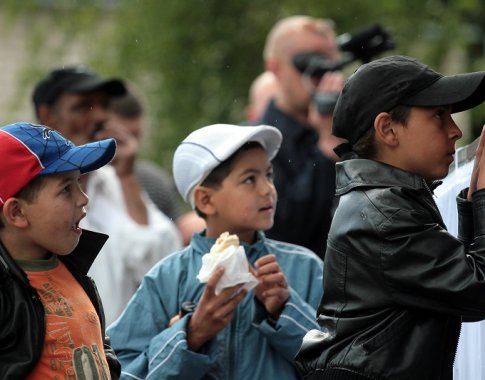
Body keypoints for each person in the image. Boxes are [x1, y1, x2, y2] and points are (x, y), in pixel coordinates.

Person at [294, 55, 485, 379]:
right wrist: (483, 197)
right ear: (388, 129)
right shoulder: (383, 214)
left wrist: (471, 200)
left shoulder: (385, 202)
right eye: (439, 116)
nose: (454, 131)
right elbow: (477, 292)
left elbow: (456, 295)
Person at [107, 123, 324, 379]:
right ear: (206, 200)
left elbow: (338, 364)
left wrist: (286, 310)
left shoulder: (305, 268)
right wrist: (191, 334)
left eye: (269, 175)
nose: (268, 189)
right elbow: (119, 369)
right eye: (249, 179)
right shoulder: (167, 277)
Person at [32, 66, 182, 325]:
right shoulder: (26, 193)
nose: (100, 115)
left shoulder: (114, 182)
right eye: (84, 106)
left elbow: (162, 263)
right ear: (48, 116)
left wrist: (127, 177)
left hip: (124, 357)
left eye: (103, 106)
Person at [0, 122, 120, 379]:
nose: (83, 198)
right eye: (66, 189)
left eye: (79, 182)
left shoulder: (74, 270)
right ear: (17, 212)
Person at [259, 15, 346, 258]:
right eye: (308, 62)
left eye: (329, 62)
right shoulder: (258, 143)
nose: (322, 74)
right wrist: (327, 148)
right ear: (275, 68)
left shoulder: (352, 128)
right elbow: (282, 230)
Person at [107, 91, 206, 245]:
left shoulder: (154, 181)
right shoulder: (83, 184)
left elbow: (174, 237)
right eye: (122, 138)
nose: (132, 148)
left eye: (136, 136)